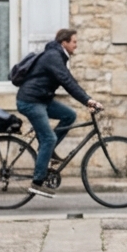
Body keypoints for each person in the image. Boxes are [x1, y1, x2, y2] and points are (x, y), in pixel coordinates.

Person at [15, 28, 102, 198]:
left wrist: (86, 100)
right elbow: (67, 81)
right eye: (74, 42)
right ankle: (37, 182)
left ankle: (47, 150)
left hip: (42, 99)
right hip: (30, 101)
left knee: (69, 115)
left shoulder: (57, 56)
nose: (76, 46)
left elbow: (68, 81)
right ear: (65, 43)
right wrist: (88, 100)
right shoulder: (53, 57)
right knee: (49, 137)